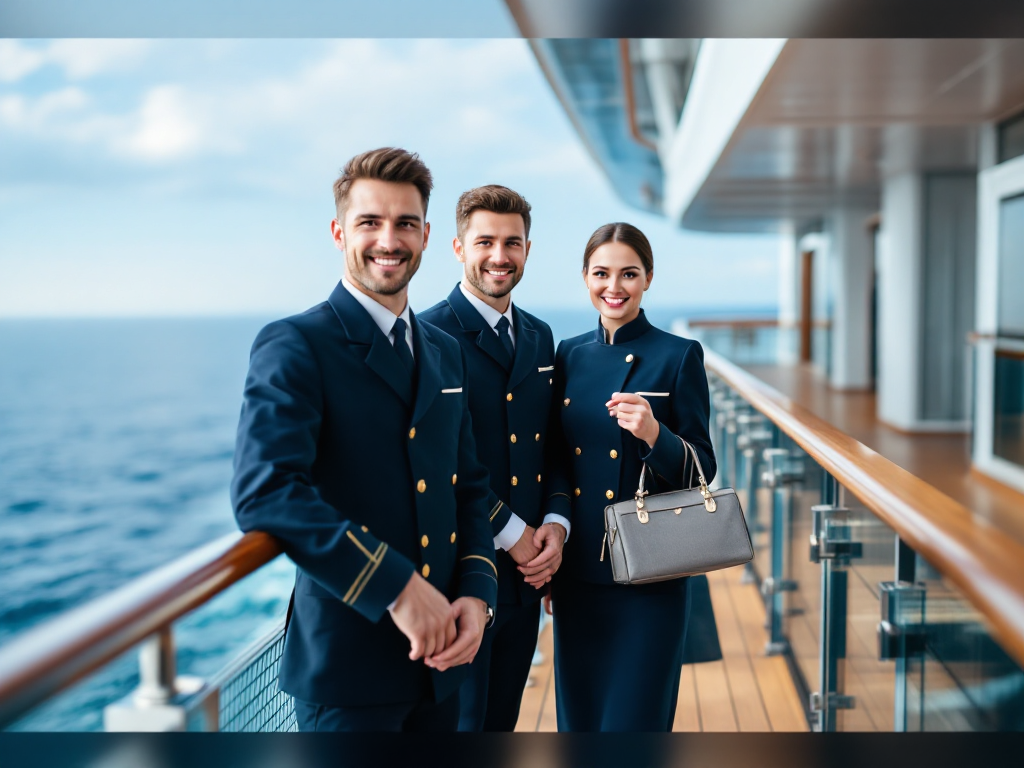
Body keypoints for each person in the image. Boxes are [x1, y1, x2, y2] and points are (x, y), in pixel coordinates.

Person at [230, 147, 498, 733]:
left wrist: (478, 596)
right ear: (338, 231)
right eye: (369, 222)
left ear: (427, 236)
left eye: (405, 224)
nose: (389, 240)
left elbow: (470, 488)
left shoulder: (444, 351)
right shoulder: (296, 343)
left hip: (444, 663)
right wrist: (396, 585)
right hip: (350, 672)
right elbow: (264, 491)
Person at [543, 222, 720, 732]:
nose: (613, 287)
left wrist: (654, 434)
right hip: (578, 574)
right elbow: (556, 458)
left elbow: (702, 470)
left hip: (651, 575)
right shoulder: (569, 354)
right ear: (585, 278)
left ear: (647, 279)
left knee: (634, 724)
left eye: (628, 273)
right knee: (579, 720)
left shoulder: (679, 354)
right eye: (601, 273)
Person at [420, 185, 568, 731]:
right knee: (460, 727)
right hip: (461, 578)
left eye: (512, 242)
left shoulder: (539, 335)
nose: (499, 256)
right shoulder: (428, 334)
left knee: (503, 723)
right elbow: (437, 464)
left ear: (528, 248)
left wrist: (555, 525)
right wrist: (514, 533)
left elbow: (551, 442)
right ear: (458, 248)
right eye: (485, 241)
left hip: (530, 580)